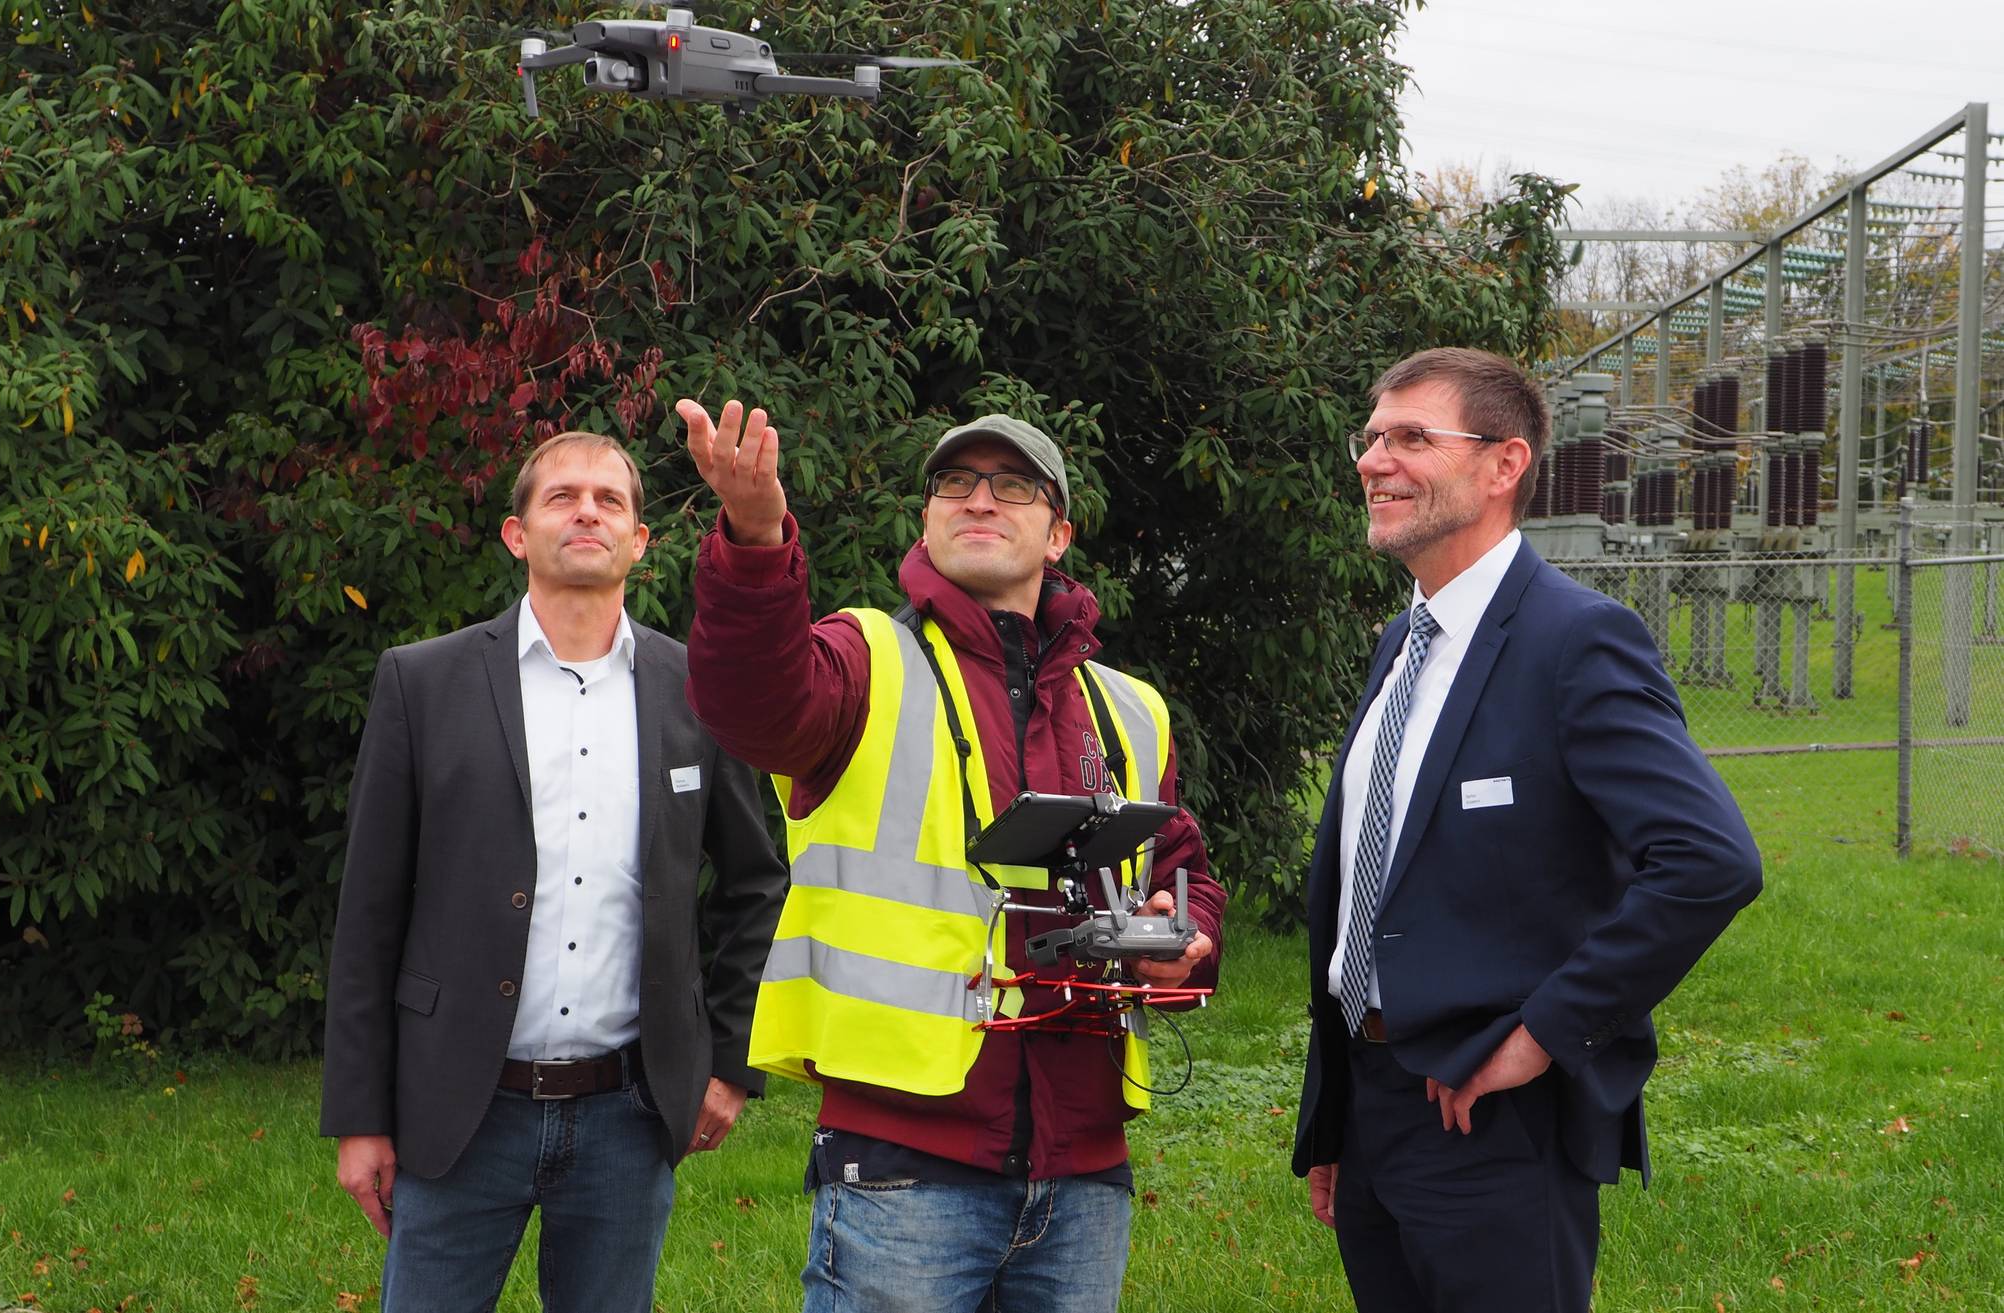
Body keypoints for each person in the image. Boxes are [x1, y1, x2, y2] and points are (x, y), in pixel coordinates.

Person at [677, 398, 1227, 1313]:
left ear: (1058, 532)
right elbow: (748, 699)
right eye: (955, 484)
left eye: (1011, 486)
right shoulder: (863, 659)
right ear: (927, 521)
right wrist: (755, 539)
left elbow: (1185, 869)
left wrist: (1184, 931)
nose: (980, 500)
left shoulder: (1129, 707)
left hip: (1085, 1169)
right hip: (905, 1169)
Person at [1288, 347, 1762, 1311]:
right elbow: (1372, 879)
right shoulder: (1404, 639)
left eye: (1412, 437)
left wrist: (1545, 1030)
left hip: (1493, 1118)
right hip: (1376, 1106)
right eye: (1372, 437)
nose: (1375, 459)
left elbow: (1709, 859)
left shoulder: (1574, 640)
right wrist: (1336, 1114)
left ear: (1505, 465)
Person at [318, 430, 789, 1313]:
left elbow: (757, 882)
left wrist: (728, 1061)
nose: (587, 511)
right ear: (516, 532)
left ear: (641, 543)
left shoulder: (701, 692)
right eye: (562, 496)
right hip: (459, 1107)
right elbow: (369, 911)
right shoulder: (423, 683)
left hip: (630, 1112)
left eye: (611, 500)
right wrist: (360, 1114)